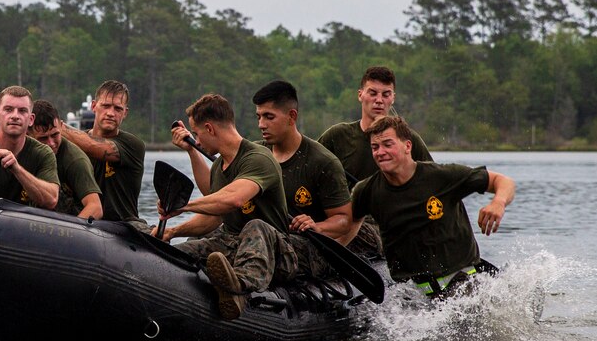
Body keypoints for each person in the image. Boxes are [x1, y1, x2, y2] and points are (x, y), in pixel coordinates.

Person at [156, 93, 298, 321]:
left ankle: (239, 288)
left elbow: (233, 199)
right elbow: (214, 216)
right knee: (176, 255)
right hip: (232, 244)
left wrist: (181, 207)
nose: (197, 140)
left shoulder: (258, 158)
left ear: (210, 129)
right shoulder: (220, 166)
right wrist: (173, 231)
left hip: (274, 250)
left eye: (197, 133)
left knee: (256, 225)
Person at [349, 116, 515, 298]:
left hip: (463, 286)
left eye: (388, 145)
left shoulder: (442, 176)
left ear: (407, 146)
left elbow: (503, 181)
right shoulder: (366, 191)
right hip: (411, 295)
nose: (380, 152)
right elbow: (346, 226)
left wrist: (498, 203)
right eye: (375, 147)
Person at [251, 80, 355, 279]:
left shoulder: (322, 161)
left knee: (260, 231)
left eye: (268, 117)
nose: (261, 124)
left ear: (292, 116)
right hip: (258, 239)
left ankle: (240, 287)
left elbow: (344, 220)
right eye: (259, 117)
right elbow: (217, 193)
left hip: (306, 247)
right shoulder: (255, 155)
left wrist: (317, 226)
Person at [319, 65, 432, 184]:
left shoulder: (407, 139)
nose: (379, 100)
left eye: (386, 94)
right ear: (360, 95)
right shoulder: (337, 136)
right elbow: (308, 167)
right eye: (373, 93)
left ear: (393, 98)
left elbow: (433, 180)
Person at [59, 80, 146, 226]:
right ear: (94, 106)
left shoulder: (134, 145)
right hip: (84, 221)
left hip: (124, 226)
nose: (111, 113)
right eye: (105, 106)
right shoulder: (71, 145)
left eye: (118, 109)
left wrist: (57, 126)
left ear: (125, 113)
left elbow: (94, 146)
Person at [0, 86, 59, 210]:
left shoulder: (42, 153)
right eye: (8, 109)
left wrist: (16, 169)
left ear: (31, 119)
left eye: (22, 111)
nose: (15, 116)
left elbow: (51, 200)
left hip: (23, 227)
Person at [29, 100, 103, 219]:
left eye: (55, 135)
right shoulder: (20, 152)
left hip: (67, 222)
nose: (51, 143)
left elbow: (95, 207)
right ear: (28, 135)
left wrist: (70, 233)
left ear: (62, 126)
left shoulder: (75, 160)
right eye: (43, 138)